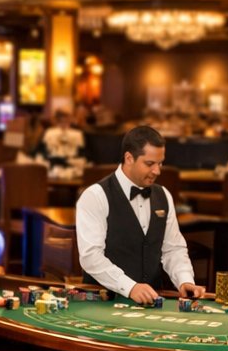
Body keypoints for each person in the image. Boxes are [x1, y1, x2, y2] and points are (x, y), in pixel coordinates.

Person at [76, 125, 202, 306]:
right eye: (150, 164)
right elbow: (91, 257)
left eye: (160, 163)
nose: (157, 171)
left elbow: (172, 248)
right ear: (129, 158)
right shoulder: (95, 196)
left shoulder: (163, 195)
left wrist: (185, 280)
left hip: (152, 303)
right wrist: (130, 287)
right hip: (104, 302)